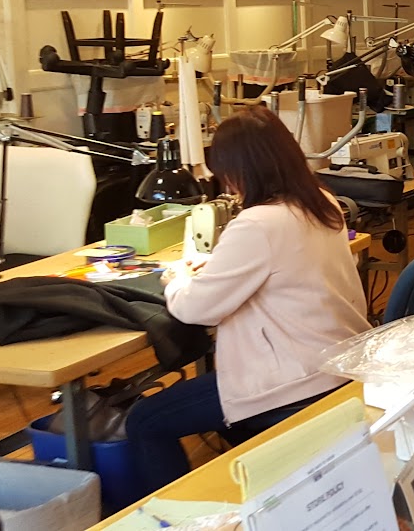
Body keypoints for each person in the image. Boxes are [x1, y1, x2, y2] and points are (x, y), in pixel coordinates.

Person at [125, 105, 370, 496]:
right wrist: (222, 266)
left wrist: (176, 279)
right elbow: (283, 269)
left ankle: (177, 518)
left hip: (296, 382)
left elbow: (194, 309)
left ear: (241, 171)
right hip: (340, 364)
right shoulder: (320, 202)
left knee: (144, 421)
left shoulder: (258, 224)